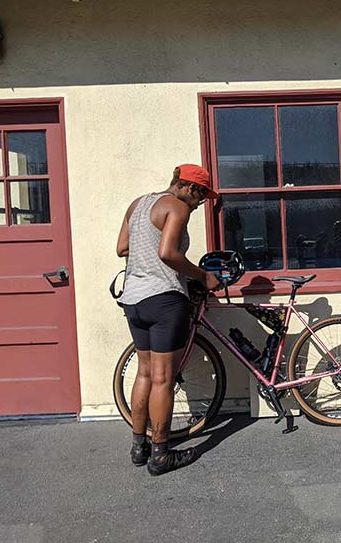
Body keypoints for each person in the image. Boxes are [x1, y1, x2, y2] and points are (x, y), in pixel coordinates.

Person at [116, 164, 222, 476]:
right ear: (192, 188)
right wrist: (203, 276)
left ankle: (139, 447)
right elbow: (167, 253)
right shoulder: (177, 207)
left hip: (133, 299)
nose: (198, 204)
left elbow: (122, 248)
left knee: (145, 374)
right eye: (200, 198)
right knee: (163, 378)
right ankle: (161, 455)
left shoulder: (138, 204)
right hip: (163, 299)